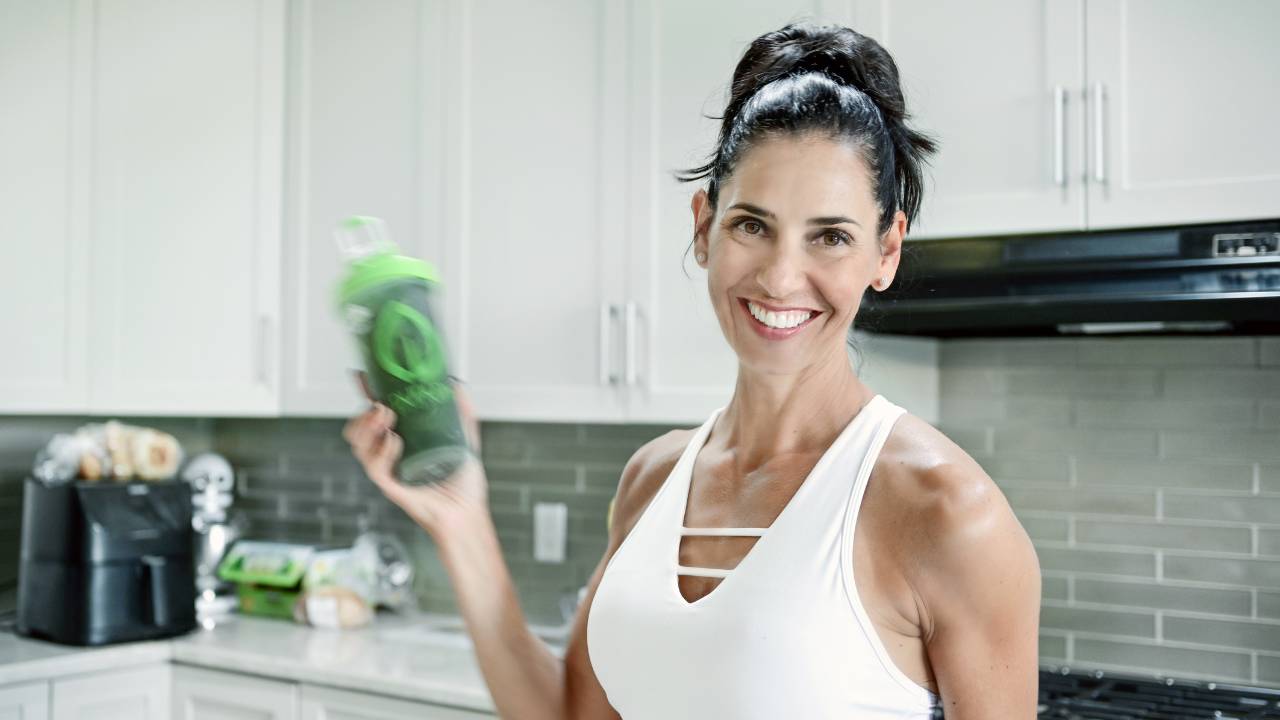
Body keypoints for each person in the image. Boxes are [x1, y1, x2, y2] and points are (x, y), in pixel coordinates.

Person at [343, 20, 1040, 720]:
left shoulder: (944, 510)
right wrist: (463, 522)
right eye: (752, 225)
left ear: (886, 251)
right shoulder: (652, 478)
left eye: (830, 236)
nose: (781, 277)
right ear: (704, 226)